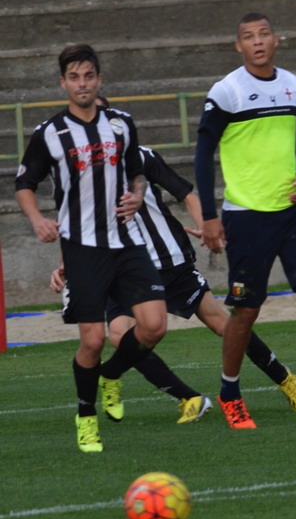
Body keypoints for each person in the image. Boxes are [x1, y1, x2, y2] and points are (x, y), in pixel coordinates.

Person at [14, 43, 198, 452]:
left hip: (127, 242)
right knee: (93, 341)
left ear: (99, 80)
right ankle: (86, 416)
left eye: (88, 76)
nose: (82, 84)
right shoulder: (50, 133)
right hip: (83, 248)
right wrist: (38, 219)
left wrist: (136, 194)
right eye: (74, 77)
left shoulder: (121, 124)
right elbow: (24, 184)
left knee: (154, 326)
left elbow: (137, 173)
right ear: (63, 83)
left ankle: (111, 374)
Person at [49, 143, 296, 416]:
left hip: (169, 260)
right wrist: (66, 265)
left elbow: (186, 195)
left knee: (225, 326)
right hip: (125, 269)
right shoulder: (78, 171)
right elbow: (76, 224)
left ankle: (287, 382)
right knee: (119, 334)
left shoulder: (141, 156)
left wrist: (206, 227)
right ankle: (189, 399)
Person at [195, 12, 296, 429]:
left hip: (294, 211)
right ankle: (230, 393)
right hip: (247, 216)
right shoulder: (227, 91)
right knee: (246, 310)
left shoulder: (294, 86)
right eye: (248, 36)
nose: (257, 41)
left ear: (276, 40)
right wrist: (210, 216)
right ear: (238, 46)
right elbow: (202, 153)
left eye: (263, 34)